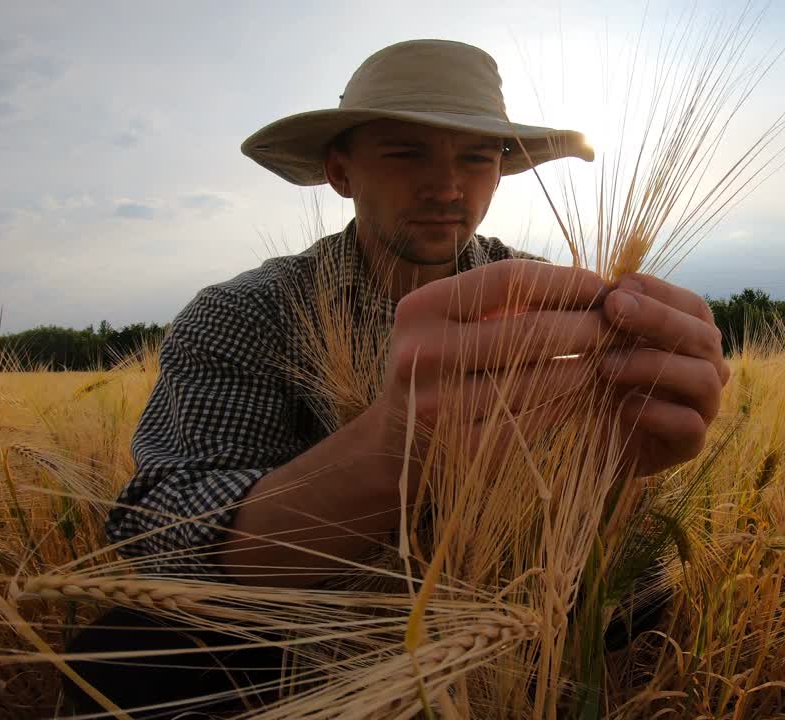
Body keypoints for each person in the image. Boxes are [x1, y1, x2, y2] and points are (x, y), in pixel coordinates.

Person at [65, 39, 729, 716]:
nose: (447, 187)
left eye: (478, 156)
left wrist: (616, 464)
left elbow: (593, 546)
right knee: (123, 659)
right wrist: (391, 453)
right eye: (406, 152)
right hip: (291, 635)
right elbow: (165, 538)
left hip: (501, 617)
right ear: (340, 172)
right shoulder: (242, 315)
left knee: (641, 595)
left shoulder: (556, 303)